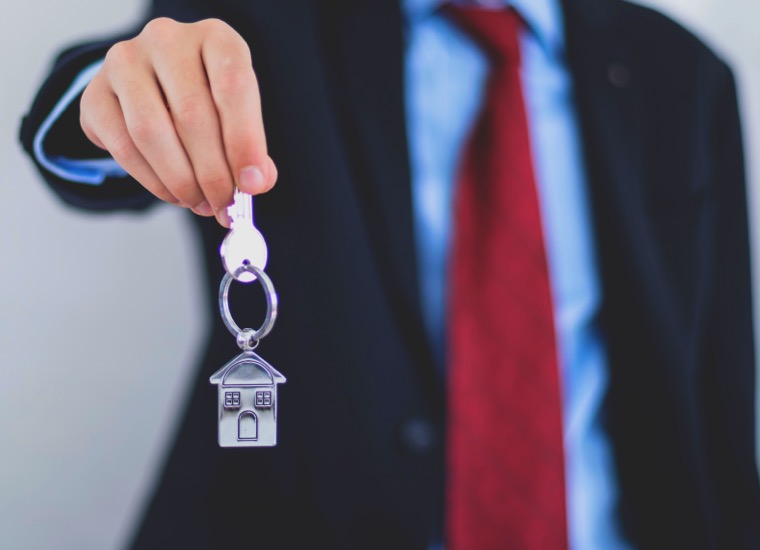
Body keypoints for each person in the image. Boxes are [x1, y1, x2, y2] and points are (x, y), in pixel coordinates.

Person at [19, 0, 760, 548]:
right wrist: (118, 92)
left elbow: (719, 382)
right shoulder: (262, 27)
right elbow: (101, 104)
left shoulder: (684, 76)